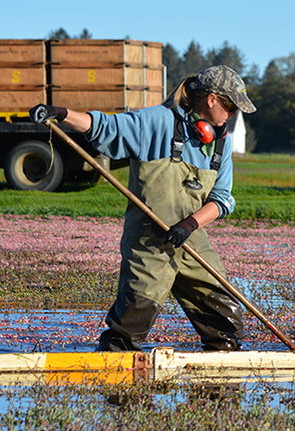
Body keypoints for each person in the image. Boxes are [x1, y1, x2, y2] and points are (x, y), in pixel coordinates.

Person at [31, 65, 256, 352]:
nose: (233, 115)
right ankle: (117, 380)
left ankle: (219, 380)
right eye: (231, 107)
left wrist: (189, 225)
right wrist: (62, 114)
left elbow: (222, 198)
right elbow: (106, 127)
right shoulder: (157, 121)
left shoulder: (220, 143)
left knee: (225, 321)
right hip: (150, 240)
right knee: (130, 325)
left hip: (191, 237)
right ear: (212, 99)